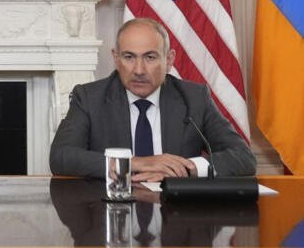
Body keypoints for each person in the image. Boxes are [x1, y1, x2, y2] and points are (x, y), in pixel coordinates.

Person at [49, 17, 255, 181]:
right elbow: (61, 157)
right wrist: (136, 163)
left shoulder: (194, 98)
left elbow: (243, 158)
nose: (139, 70)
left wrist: (183, 168)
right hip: (109, 212)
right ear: (116, 59)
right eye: (129, 57)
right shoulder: (89, 98)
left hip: (177, 217)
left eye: (150, 57)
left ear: (169, 60)